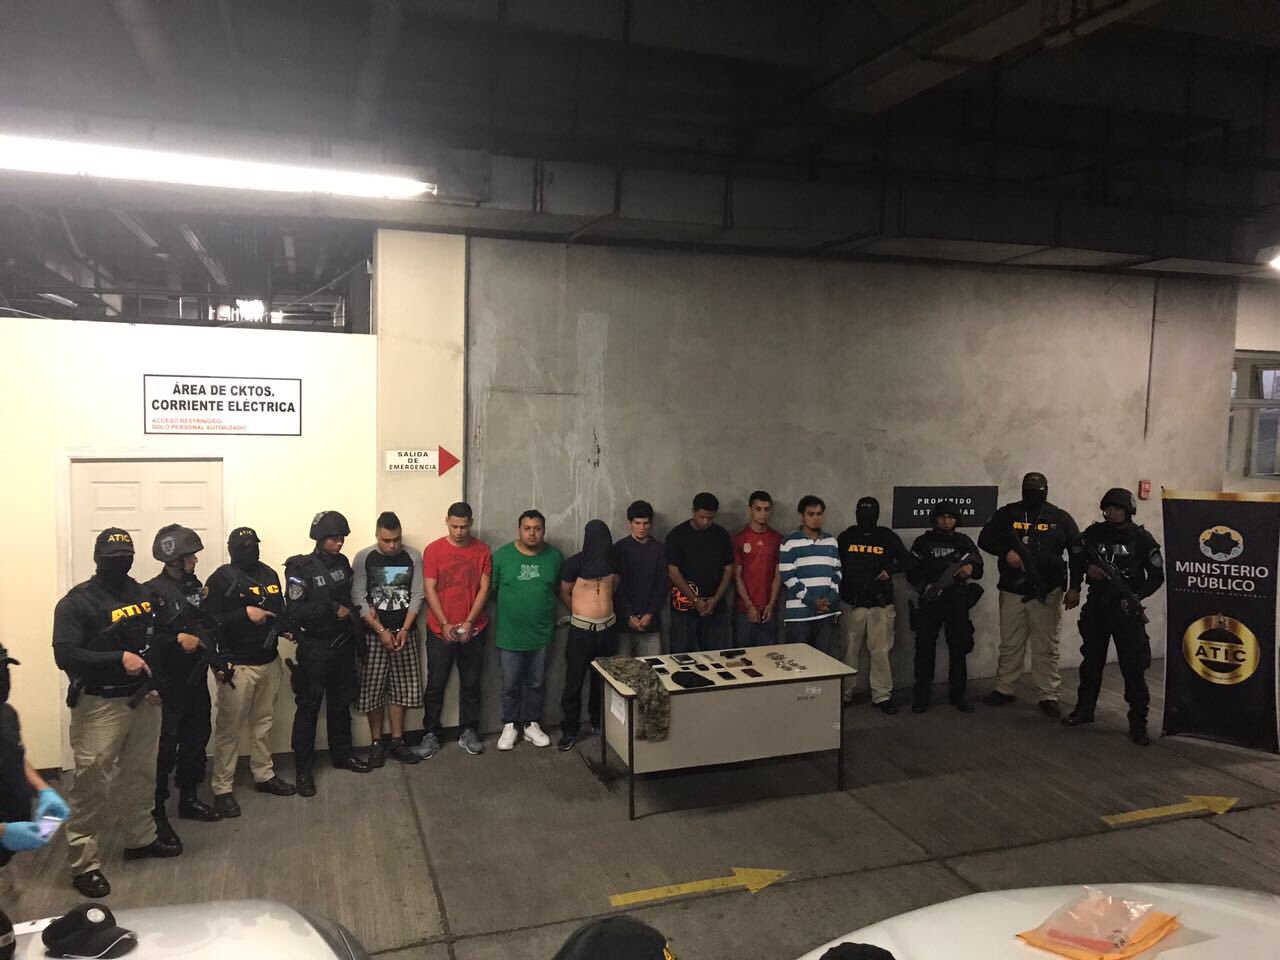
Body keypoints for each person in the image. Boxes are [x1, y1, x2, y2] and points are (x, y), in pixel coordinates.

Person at [53, 528, 179, 899]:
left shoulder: (142, 593)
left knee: (142, 775)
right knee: (92, 784)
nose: (120, 561)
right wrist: (117, 658)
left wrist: (155, 681)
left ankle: (141, 838)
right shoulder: (76, 602)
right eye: (113, 557)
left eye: (126, 555)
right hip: (100, 706)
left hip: (142, 700)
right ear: (98, 558)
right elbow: (65, 655)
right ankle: (84, 863)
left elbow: (153, 640)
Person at [203, 526, 296, 818]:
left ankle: (263, 774)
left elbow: (279, 611)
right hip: (238, 666)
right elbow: (207, 621)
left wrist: (286, 628)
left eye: (253, 545)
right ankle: (222, 789)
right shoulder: (220, 579)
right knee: (229, 729)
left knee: (263, 723)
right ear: (231, 550)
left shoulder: (269, 574)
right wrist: (243, 613)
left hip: (269, 660)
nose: (250, 551)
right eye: (243, 547)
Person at [1063, 488, 1165, 746]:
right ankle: (1084, 709)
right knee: (1091, 662)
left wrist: (1136, 596)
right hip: (1097, 607)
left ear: (1128, 511)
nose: (1112, 512)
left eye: (1117, 508)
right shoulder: (1093, 534)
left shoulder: (1142, 539)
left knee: (1133, 667)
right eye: (1108, 508)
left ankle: (1138, 722)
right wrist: (1079, 581)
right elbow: (1076, 559)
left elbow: (1156, 576)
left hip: (1126, 612)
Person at [144, 525, 223, 846]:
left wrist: (218, 662)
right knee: (165, 748)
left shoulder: (195, 587)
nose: (195, 560)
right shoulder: (151, 592)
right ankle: (157, 811)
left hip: (195, 679)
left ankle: (189, 798)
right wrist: (175, 638)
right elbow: (145, 639)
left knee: (197, 737)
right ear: (174, 558)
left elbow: (205, 627)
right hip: (168, 681)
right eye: (190, 556)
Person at [978, 472, 1081, 718]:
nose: (1033, 495)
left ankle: (1048, 694)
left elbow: (1077, 553)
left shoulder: (1060, 517)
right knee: (1010, 642)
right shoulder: (1008, 513)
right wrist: (1006, 552)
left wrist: (1075, 587)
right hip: (1013, 589)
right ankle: (1004, 688)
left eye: (1037, 491)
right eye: (1029, 490)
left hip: (1048, 590)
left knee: (1046, 645)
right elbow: (985, 539)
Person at [286, 510, 371, 798]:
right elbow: (295, 610)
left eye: (342, 537)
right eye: (334, 538)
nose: (340, 542)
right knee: (308, 708)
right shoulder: (300, 568)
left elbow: (349, 599)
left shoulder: (343, 563)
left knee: (341, 703)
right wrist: (331, 609)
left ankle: (342, 755)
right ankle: (303, 770)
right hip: (315, 647)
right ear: (320, 538)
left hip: (342, 645)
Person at [415, 502, 492, 759]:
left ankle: (468, 731)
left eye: (464, 526)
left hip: (474, 629)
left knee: (471, 683)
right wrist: (445, 623)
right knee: (436, 683)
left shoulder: (482, 550)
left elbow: (484, 589)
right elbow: (429, 589)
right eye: (455, 526)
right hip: (440, 630)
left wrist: (469, 622)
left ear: (471, 523)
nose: (459, 531)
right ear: (447, 521)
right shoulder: (434, 550)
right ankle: (431, 733)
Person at [351, 512, 425, 767]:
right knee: (372, 690)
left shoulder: (413, 556)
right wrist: (380, 630)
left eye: (396, 539)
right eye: (386, 540)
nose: (392, 545)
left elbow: (417, 594)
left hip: (405, 633)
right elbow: (358, 598)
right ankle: (376, 742)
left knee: (401, 690)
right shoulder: (364, 557)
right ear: (377, 536)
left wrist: (405, 629)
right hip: (373, 636)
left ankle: (397, 740)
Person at [490, 510, 562, 751]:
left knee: (536, 683)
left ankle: (532, 724)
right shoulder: (502, 556)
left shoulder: (554, 557)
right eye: (527, 528)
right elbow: (491, 592)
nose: (532, 533)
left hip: (541, 636)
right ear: (519, 529)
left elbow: (556, 590)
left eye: (537, 528)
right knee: (510, 685)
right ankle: (510, 724)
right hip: (510, 636)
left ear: (544, 530)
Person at [837, 496, 915, 713]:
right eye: (862, 513)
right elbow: (835, 564)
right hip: (853, 603)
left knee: (880, 652)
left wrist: (890, 570)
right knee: (848, 652)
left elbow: (909, 561)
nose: (866, 517)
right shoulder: (847, 536)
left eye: (870, 513)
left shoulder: (887, 537)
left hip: (880, 605)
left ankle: (882, 695)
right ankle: (843, 694)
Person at [907, 502, 984, 714]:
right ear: (935, 519)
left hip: (956, 601)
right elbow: (911, 570)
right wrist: (924, 586)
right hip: (931, 602)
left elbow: (979, 566)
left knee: (958, 648)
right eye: (943, 517)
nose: (947, 521)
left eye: (951, 517)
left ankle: (958, 695)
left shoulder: (963, 542)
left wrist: (970, 568)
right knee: (924, 649)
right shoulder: (923, 542)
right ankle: (921, 696)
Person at [0, 644, 71, 868]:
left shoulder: (6, 714)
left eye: (4, 669)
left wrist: (43, 789)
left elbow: (15, 754)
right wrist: (3, 831)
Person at [558, 520, 620, 751]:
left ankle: (598, 720)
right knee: (574, 682)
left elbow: (614, 586)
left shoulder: (613, 562)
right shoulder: (575, 563)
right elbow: (564, 591)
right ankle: (570, 729)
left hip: (608, 630)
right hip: (581, 632)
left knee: (601, 681)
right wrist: (579, 612)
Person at [666, 493, 734, 653]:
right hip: (684, 608)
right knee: (682, 656)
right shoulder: (678, 535)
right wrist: (695, 600)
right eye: (702, 517)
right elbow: (673, 571)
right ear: (693, 512)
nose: (705, 522)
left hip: (714, 606)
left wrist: (716, 599)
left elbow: (729, 568)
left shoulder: (721, 535)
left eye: (710, 518)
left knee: (715, 656)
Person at [780, 495, 842, 654]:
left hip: (826, 614)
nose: (815, 518)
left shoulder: (831, 541)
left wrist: (829, 599)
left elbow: (837, 572)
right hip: (799, 616)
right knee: (798, 662)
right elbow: (787, 576)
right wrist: (812, 601)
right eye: (811, 514)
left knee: (825, 662)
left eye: (819, 514)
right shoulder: (789, 542)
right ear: (802, 516)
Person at [611, 501, 667, 657]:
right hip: (623, 623)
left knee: (653, 667)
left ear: (651, 524)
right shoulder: (619, 549)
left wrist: (650, 613)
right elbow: (616, 588)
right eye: (637, 523)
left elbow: (662, 585)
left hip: (651, 622)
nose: (642, 528)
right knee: (621, 668)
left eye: (645, 523)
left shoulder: (659, 550)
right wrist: (629, 615)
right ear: (629, 523)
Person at [732, 491, 783, 647]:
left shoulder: (777, 539)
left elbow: (778, 575)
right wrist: (749, 605)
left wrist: (771, 604)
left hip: (769, 610)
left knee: (767, 656)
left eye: (767, 509)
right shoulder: (739, 538)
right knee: (743, 656)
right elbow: (737, 576)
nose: (763, 514)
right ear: (750, 509)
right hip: (744, 610)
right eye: (758, 509)